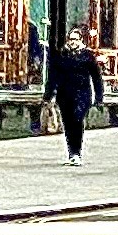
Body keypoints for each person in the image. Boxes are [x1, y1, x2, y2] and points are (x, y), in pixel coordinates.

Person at [47, 16, 104, 164]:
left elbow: (96, 77)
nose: (72, 42)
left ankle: (77, 152)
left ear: (81, 40)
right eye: (70, 39)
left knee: (77, 120)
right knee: (68, 123)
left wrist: (99, 97)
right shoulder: (62, 55)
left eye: (75, 39)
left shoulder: (88, 56)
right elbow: (54, 76)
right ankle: (71, 152)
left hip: (82, 94)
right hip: (64, 95)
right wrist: (49, 94)